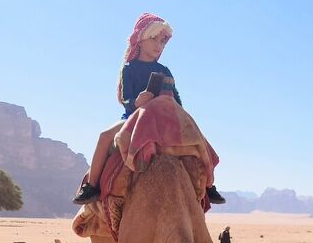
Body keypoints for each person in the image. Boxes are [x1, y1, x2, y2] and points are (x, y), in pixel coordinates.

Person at [74, 13, 225, 205]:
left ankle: (208, 186)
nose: (158, 45)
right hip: (134, 117)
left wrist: (178, 113)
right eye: (154, 39)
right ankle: (91, 186)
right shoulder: (129, 68)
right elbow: (126, 98)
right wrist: (137, 102)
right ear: (141, 39)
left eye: (162, 42)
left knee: (200, 139)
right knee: (105, 136)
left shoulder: (165, 70)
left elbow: (176, 100)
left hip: (165, 119)